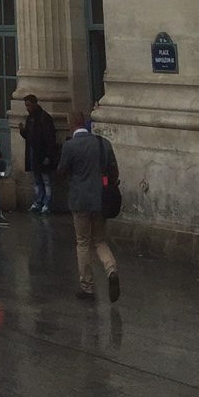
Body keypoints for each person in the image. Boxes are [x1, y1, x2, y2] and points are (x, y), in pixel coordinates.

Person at [55, 110, 120, 302]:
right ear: (85, 122)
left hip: (80, 200)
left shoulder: (70, 146)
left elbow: (62, 171)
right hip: (100, 199)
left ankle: (87, 286)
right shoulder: (102, 143)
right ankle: (111, 270)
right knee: (100, 240)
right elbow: (114, 169)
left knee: (83, 243)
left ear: (70, 124)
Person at [19, 94, 58, 213]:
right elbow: (29, 136)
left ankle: (46, 203)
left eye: (29, 105)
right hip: (33, 152)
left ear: (35, 104)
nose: (27, 108)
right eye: (26, 105)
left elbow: (50, 138)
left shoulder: (44, 117)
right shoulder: (30, 118)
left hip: (42, 153)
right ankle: (38, 201)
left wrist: (48, 155)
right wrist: (22, 131)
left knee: (46, 180)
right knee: (37, 179)